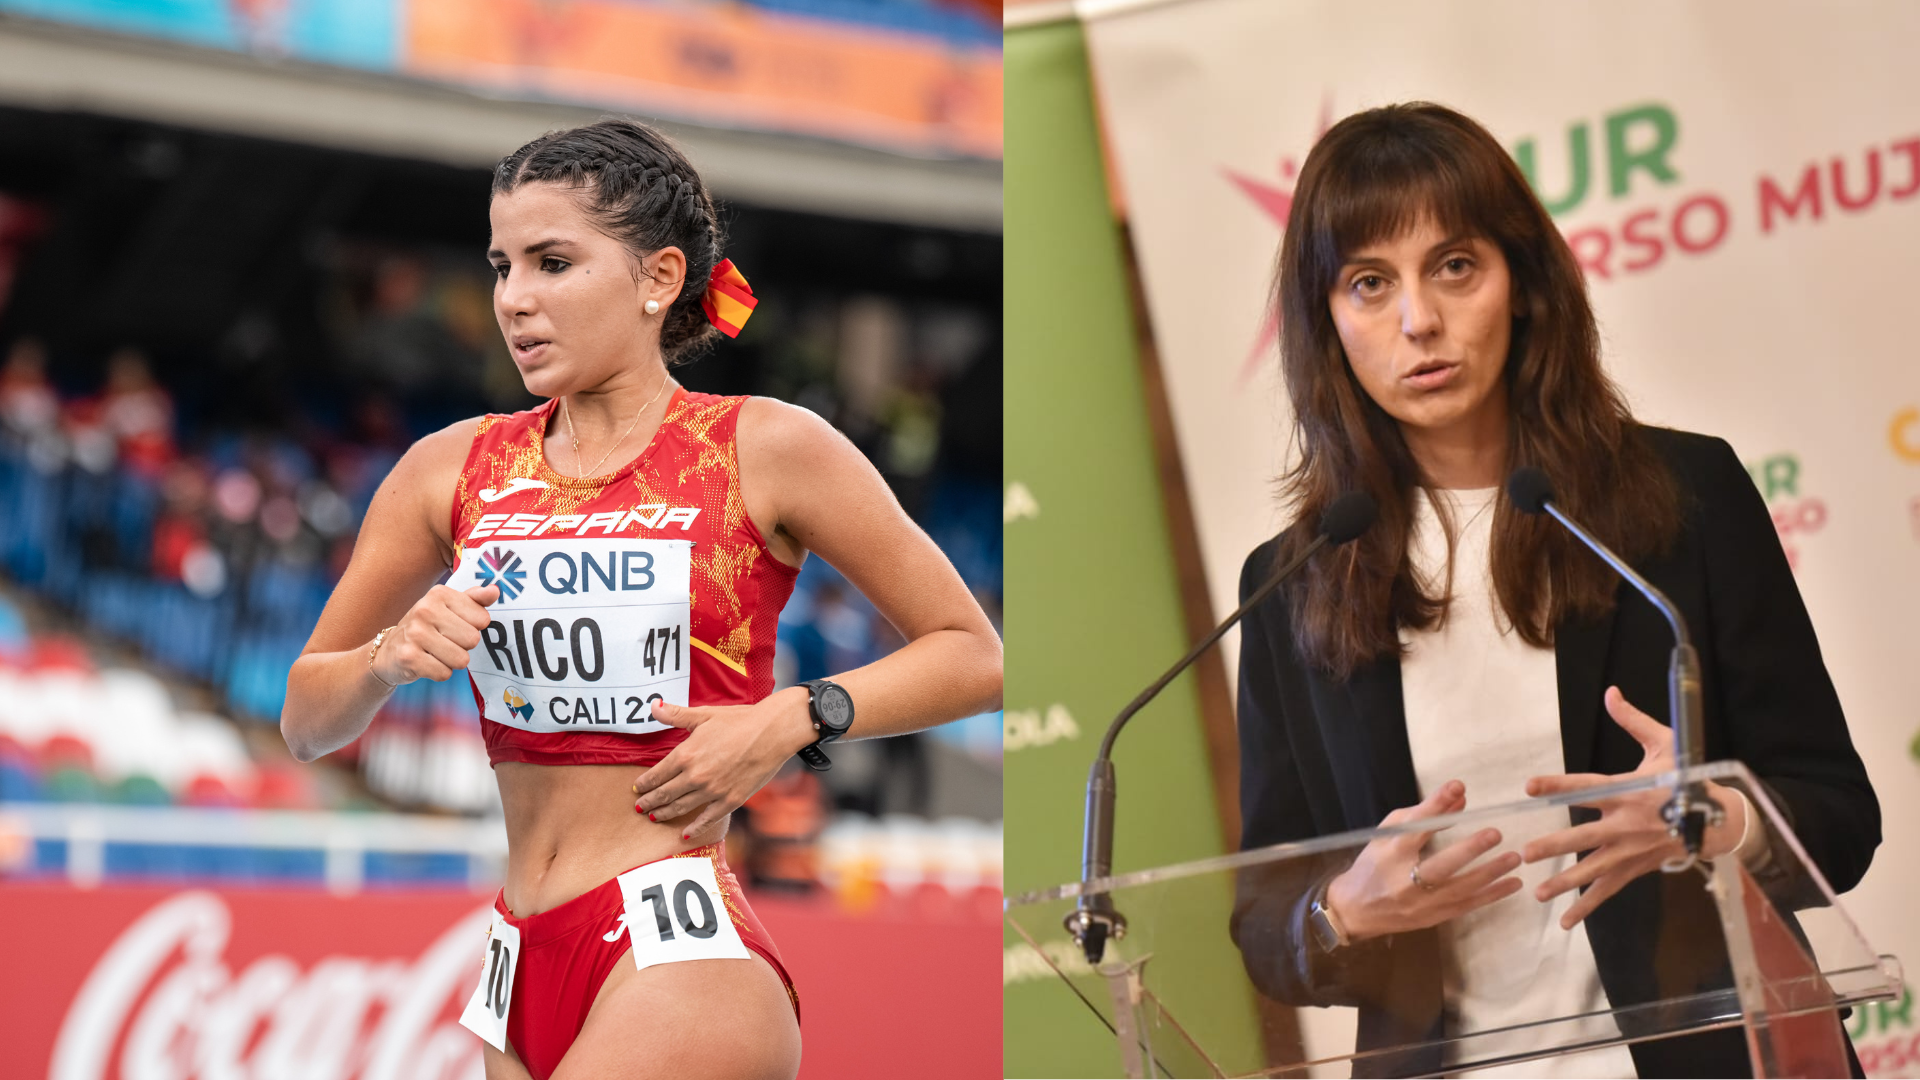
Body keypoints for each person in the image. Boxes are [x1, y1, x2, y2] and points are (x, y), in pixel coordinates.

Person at [280, 119, 1002, 1080]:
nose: (514, 298)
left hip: (678, 955)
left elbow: (974, 654)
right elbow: (305, 722)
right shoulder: (445, 469)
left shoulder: (767, 446)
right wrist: (388, 656)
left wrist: (796, 714)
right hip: (518, 957)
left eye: (553, 263)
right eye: (502, 266)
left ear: (658, 278)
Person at [1229, 103, 1877, 1078]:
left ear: (1524, 282)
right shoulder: (1294, 580)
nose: (1419, 320)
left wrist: (1709, 820)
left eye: (1455, 267)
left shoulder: (1686, 500)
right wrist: (1343, 908)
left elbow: (1838, 813)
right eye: (1369, 284)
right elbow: (1266, 921)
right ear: (1328, 323)